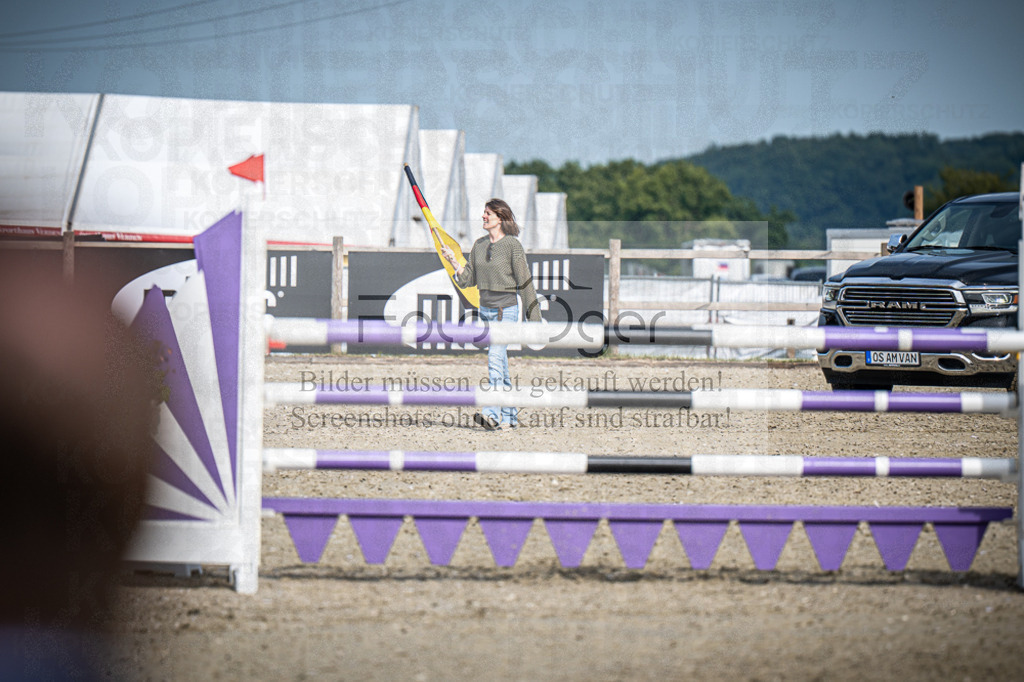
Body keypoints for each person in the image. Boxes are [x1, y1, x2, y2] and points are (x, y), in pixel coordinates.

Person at [441, 198, 541, 430]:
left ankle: (491, 415)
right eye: (484, 212)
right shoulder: (478, 245)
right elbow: (467, 280)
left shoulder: (513, 246)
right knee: (501, 367)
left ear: (500, 217)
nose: (483, 216)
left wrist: (534, 318)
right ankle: (510, 418)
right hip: (485, 311)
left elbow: (525, 283)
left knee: (495, 359)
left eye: (488, 213)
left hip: (506, 311)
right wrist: (453, 260)